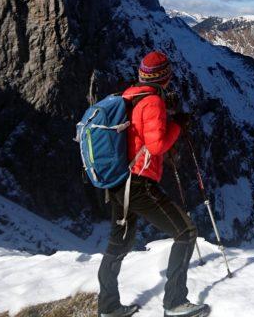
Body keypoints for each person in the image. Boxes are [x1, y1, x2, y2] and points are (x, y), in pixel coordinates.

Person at [98, 51, 209, 317]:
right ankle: (174, 303)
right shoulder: (153, 103)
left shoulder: (129, 95)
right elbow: (157, 145)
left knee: (119, 244)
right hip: (138, 183)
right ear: (165, 76)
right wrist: (177, 126)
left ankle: (108, 307)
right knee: (186, 232)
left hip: (117, 181)